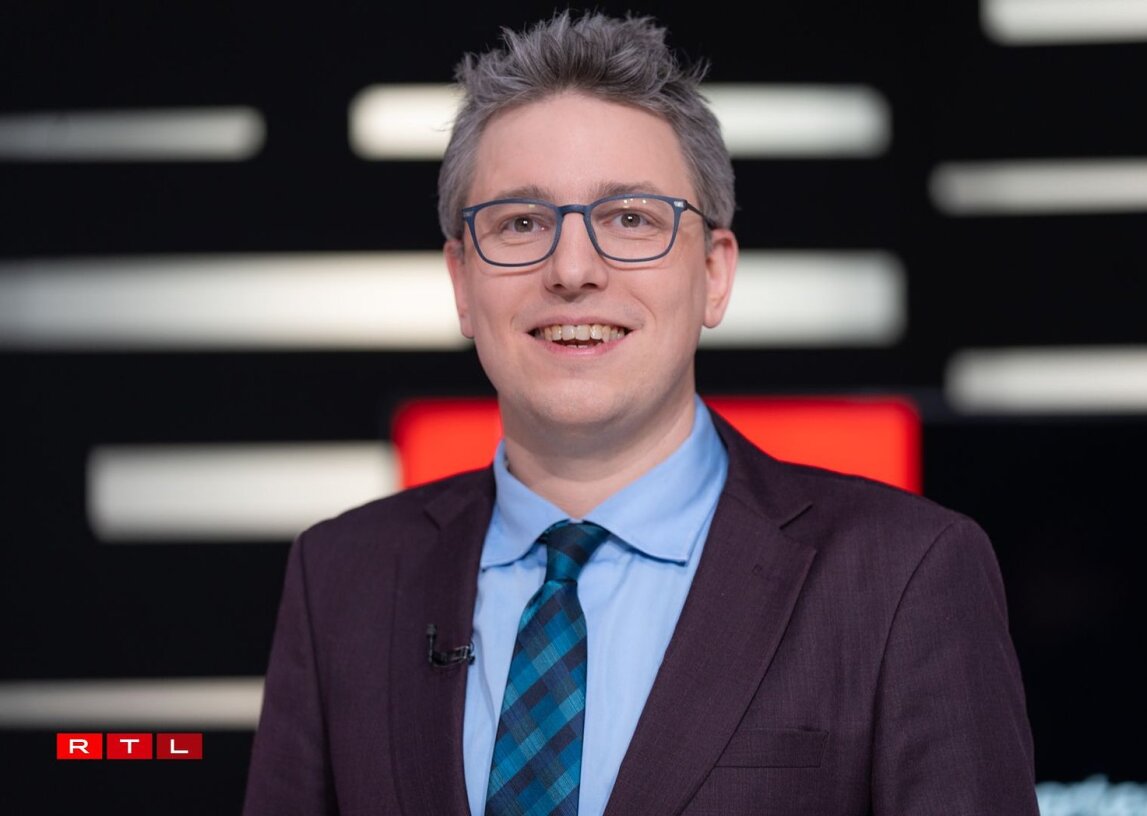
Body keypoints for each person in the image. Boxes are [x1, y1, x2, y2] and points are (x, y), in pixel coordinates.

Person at [243, 11, 1039, 816]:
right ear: (461, 281)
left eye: (630, 219)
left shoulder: (905, 574)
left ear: (714, 274)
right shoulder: (341, 579)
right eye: (521, 223)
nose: (572, 269)